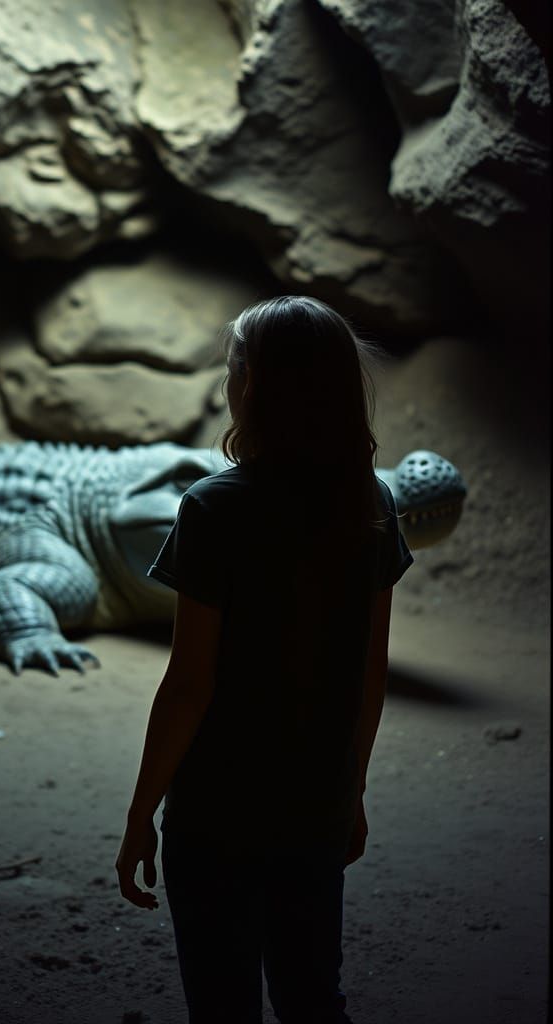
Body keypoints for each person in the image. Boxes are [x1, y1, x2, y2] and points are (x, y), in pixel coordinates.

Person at [115, 295, 413, 1023]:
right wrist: (352, 791)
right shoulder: (369, 502)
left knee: (222, 1006)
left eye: (232, 368)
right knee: (314, 996)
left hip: (216, 816)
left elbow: (189, 683)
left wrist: (140, 810)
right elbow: (369, 676)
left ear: (249, 388)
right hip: (316, 806)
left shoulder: (212, 509)